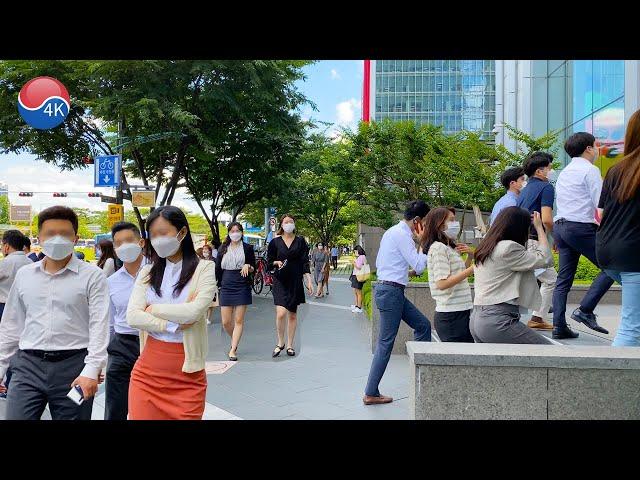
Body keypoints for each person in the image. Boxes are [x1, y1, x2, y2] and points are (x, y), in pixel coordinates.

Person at [0, 206, 110, 420]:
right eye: (50, 234)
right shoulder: (25, 275)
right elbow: (12, 324)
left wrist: (92, 368)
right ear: (39, 238)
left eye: (65, 234)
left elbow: (100, 324)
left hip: (73, 366)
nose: (57, 239)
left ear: (76, 238)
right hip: (27, 365)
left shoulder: (93, 276)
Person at [126, 206, 216, 420]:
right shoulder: (147, 272)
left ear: (182, 233)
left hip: (188, 374)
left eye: (163, 233)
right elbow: (133, 316)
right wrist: (170, 324)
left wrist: (153, 309)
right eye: (153, 235)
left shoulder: (204, 269)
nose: (157, 240)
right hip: (147, 372)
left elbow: (193, 313)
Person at [364, 200, 432, 406]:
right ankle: (371, 392)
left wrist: (406, 271)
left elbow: (393, 264)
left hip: (391, 290)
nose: (427, 227)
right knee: (385, 343)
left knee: (423, 326)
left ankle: (421, 376)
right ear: (418, 221)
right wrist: (423, 242)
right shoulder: (403, 235)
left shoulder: (392, 232)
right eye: (426, 223)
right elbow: (420, 266)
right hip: (391, 292)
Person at [552, 132, 614, 339]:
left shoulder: (565, 171)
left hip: (561, 227)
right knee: (611, 266)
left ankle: (559, 326)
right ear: (588, 148)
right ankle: (585, 310)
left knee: (563, 280)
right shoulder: (590, 170)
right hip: (579, 227)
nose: (597, 150)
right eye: (596, 146)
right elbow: (601, 203)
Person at [470, 207, 554, 344]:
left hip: (478, 318)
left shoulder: (487, 246)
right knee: (548, 351)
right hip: (497, 320)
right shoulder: (508, 248)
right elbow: (546, 259)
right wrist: (539, 228)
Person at [597, 109, 640, 346]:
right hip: (634, 256)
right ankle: (609, 382)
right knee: (631, 329)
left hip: (609, 251)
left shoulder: (616, 169)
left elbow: (602, 212)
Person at [105, 221, 147, 420]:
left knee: (150, 406)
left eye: (129, 241)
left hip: (152, 343)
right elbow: (110, 322)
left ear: (141, 242)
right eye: (118, 243)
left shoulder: (160, 273)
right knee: (115, 407)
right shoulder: (111, 282)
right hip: (121, 345)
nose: (124, 246)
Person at [516, 152, 557, 330]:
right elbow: (547, 219)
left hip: (522, 240)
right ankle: (538, 318)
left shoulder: (524, 190)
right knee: (551, 279)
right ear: (540, 171)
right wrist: (556, 236)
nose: (551, 171)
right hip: (534, 240)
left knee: (527, 278)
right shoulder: (546, 188)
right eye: (549, 167)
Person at [422, 208, 474, 342]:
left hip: (459, 311)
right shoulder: (439, 248)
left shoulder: (447, 247)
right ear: (439, 224)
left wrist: (470, 257)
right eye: (451, 220)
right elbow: (442, 283)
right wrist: (472, 269)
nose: (455, 223)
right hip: (451, 315)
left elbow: (458, 274)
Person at [267, 214, 313, 358]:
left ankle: (290, 345)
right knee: (280, 313)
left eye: (291, 222)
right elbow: (269, 261)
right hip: (280, 280)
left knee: (292, 314)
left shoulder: (300, 242)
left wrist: (309, 280)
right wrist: (276, 262)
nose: (288, 224)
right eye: (286, 222)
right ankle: (280, 342)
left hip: (295, 281)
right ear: (281, 225)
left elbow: (305, 262)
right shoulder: (275, 242)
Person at [0, 230, 34, 399]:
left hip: (4, 308)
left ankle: (7, 383)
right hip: (28, 309)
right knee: (21, 347)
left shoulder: (6, 263)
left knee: (6, 346)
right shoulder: (30, 262)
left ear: (6, 246)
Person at [215, 222, 255, 361]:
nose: (235, 233)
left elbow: (253, 267)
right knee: (226, 321)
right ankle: (235, 339)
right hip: (226, 284)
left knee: (238, 320)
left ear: (242, 232)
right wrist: (217, 285)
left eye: (238, 230)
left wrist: (248, 265)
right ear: (229, 233)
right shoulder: (222, 248)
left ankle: (233, 349)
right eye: (232, 231)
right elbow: (217, 269)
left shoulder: (248, 248)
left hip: (242, 284)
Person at [350, 246, 367, 313]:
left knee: (358, 292)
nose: (355, 253)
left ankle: (359, 307)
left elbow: (359, 267)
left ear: (358, 251)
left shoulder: (361, 257)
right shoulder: (362, 257)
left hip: (358, 276)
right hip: (357, 275)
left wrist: (354, 263)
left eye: (355, 251)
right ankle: (357, 305)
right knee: (356, 291)